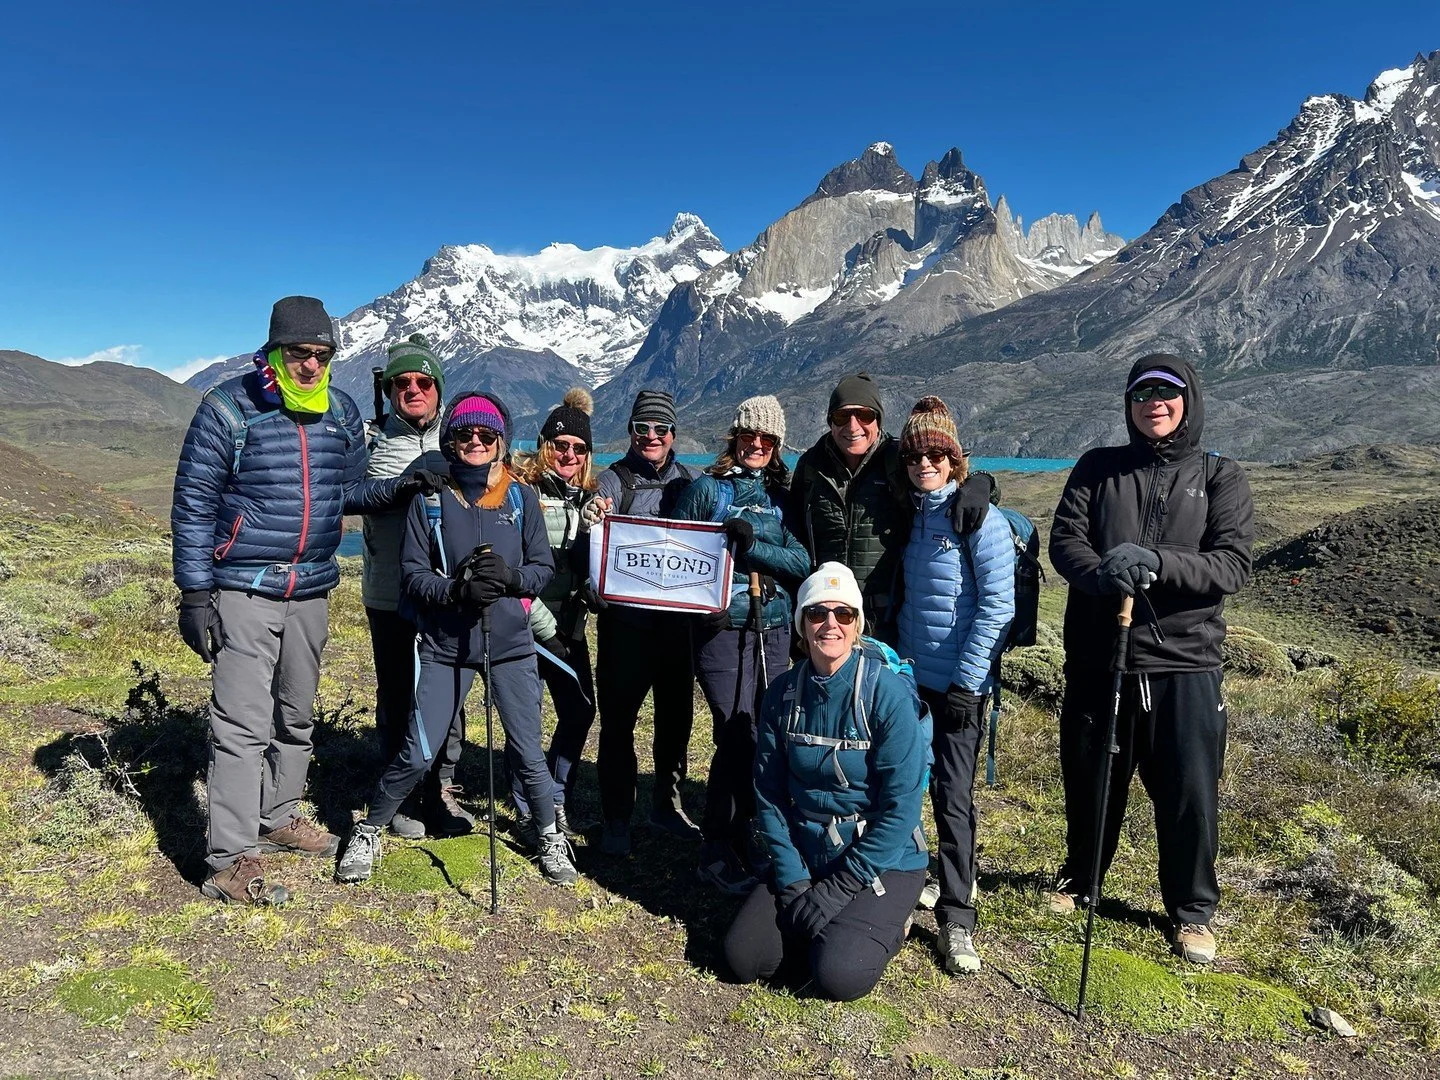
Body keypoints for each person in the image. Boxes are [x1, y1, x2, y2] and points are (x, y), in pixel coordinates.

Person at [172, 296, 433, 905]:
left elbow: (354, 490)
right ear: (275, 349)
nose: (312, 365)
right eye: (300, 353)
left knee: (295, 713)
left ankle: (278, 814)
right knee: (240, 723)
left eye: (322, 354)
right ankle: (231, 856)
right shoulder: (228, 410)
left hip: (311, 588)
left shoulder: (339, 413)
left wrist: (407, 484)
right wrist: (193, 592)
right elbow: (193, 505)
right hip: (245, 586)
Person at [1048, 354, 1254, 965]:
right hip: (1101, 654)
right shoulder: (1097, 468)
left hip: (1185, 663)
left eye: (1166, 393)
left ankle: (1191, 910)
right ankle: (1081, 880)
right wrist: (1108, 573)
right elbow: (1067, 543)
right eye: (1142, 394)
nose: (1154, 404)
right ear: (1128, 404)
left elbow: (1232, 564)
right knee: (1090, 780)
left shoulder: (1221, 476)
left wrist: (1160, 563)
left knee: (1189, 792)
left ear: (1188, 400)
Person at [335, 391, 578, 887]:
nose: (475, 442)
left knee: (528, 751)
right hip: (446, 645)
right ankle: (370, 828)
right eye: (465, 433)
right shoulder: (430, 499)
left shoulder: (520, 497)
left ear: (500, 442)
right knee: (420, 750)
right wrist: (456, 589)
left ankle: (549, 835)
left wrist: (510, 579)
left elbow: (541, 567)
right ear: (451, 439)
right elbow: (413, 576)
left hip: (509, 643)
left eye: (486, 435)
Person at [725, 563, 928, 1002]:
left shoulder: (886, 695)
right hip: (807, 849)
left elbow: (901, 809)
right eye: (817, 613)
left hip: (882, 858)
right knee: (744, 959)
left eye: (844, 614)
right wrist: (796, 882)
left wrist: (836, 891)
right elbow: (770, 795)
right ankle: (832, 929)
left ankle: (891, 924)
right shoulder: (781, 694)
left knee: (839, 976)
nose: (830, 623)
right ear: (801, 624)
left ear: (857, 625)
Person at [669, 395, 810, 894]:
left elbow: (801, 564)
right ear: (735, 437)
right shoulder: (707, 490)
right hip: (720, 630)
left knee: (763, 734)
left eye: (767, 439)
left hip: (772, 628)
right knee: (734, 733)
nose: (757, 445)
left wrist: (753, 546)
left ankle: (751, 836)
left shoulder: (781, 498)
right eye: (749, 436)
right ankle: (715, 848)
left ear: (776, 446)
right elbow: (676, 554)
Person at [894, 397, 1015, 974]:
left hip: (959, 686)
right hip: (911, 680)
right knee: (904, 785)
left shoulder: (978, 518)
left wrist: (969, 681)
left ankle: (958, 916)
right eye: (917, 453)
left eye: (938, 453)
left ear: (955, 459)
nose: (927, 463)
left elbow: (997, 606)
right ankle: (913, 879)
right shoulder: (912, 512)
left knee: (954, 797)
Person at [359, 333, 471, 840]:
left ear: (438, 387)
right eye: (402, 382)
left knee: (445, 692)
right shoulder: (367, 439)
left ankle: (441, 788)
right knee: (399, 690)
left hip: (444, 590)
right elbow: (345, 496)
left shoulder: (461, 437)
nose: (413, 389)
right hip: (388, 590)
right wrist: (400, 485)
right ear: (388, 389)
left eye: (424, 381)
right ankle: (397, 790)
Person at [788, 373, 988, 643]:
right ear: (830, 422)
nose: (852, 425)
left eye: (864, 415)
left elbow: (947, 478)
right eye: (841, 417)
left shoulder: (899, 459)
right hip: (829, 618)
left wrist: (982, 483)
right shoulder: (811, 467)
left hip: (888, 618)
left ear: (878, 419)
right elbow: (795, 532)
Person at [592, 390, 701, 856]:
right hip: (625, 630)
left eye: (660, 429)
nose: (651, 437)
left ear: (673, 434)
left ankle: (667, 806)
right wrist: (595, 513)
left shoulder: (692, 481)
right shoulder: (614, 479)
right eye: (642, 429)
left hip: (677, 628)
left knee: (675, 722)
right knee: (618, 724)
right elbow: (598, 510)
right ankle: (616, 816)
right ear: (631, 432)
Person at [510, 388, 606, 838]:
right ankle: (529, 807)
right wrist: (547, 630)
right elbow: (514, 571)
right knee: (524, 719)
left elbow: (584, 569)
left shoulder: (585, 501)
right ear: (545, 444)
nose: (569, 454)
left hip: (570, 627)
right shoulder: (519, 492)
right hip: (527, 626)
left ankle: (554, 793)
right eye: (561, 444)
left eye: (579, 448)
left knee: (579, 711)